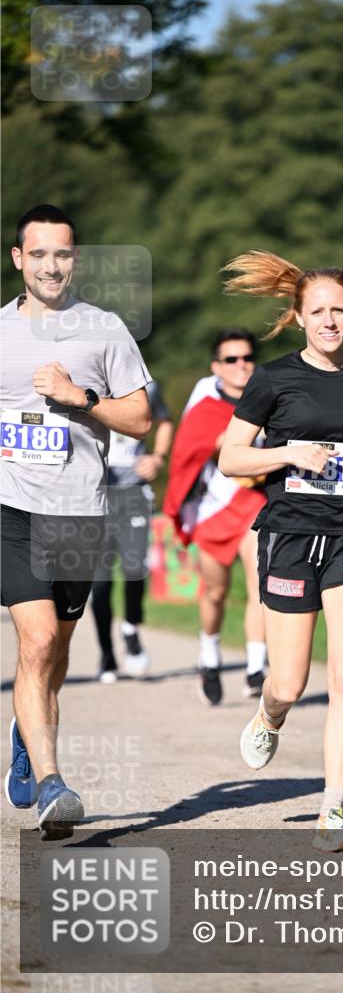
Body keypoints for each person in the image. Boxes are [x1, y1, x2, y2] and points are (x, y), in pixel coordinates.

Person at [219, 250, 343, 852]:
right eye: (319, 311)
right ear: (299, 317)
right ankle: (269, 714)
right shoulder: (272, 378)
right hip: (290, 533)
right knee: (291, 681)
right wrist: (287, 454)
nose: (331, 321)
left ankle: (334, 810)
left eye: (340, 310)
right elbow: (230, 459)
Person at [1, 205, 151, 838]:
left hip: (81, 512)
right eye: (38, 254)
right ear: (18, 259)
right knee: (34, 643)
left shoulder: (104, 329)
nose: (51, 265)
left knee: (56, 651)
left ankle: (24, 730)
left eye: (61, 254)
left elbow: (141, 419)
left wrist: (81, 399)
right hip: (12, 508)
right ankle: (54, 783)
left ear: (76, 259)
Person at [164, 330, 268, 705]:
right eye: (231, 359)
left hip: (254, 503)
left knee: (262, 585)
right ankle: (209, 655)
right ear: (216, 367)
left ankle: (257, 667)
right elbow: (187, 456)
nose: (241, 365)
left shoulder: (267, 398)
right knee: (216, 591)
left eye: (247, 357)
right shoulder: (206, 404)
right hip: (213, 509)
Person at [91, 380, 173, 682]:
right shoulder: (80, 383)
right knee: (99, 583)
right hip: (94, 497)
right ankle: (107, 655)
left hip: (134, 495)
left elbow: (164, 422)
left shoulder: (145, 387)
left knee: (135, 569)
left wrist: (158, 458)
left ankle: (131, 628)